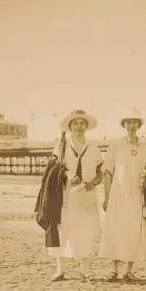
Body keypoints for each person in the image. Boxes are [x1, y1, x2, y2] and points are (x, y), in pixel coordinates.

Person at [46, 110, 104, 282]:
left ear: (87, 127)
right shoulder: (62, 145)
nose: (79, 126)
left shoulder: (93, 147)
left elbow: (100, 172)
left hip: (88, 196)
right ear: (70, 127)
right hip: (66, 196)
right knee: (63, 230)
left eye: (82, 123)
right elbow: (53, 169)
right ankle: (60, 269)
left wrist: (93, 183)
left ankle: (85, 269)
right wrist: (68, 174)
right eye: (75, 123)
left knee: (88, 230)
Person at [99, 107, 146, 281]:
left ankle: (128, 270)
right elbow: (107, 172)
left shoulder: (145, 145)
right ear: (124, 124)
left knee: (133, 230)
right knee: (115, 229)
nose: (131, 125)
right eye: (128, 122)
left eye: (135, 122)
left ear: (139, 124)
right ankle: (113, 270)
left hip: (136, 195)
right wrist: (106, 197)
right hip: (118, 193)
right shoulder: (116, 144)